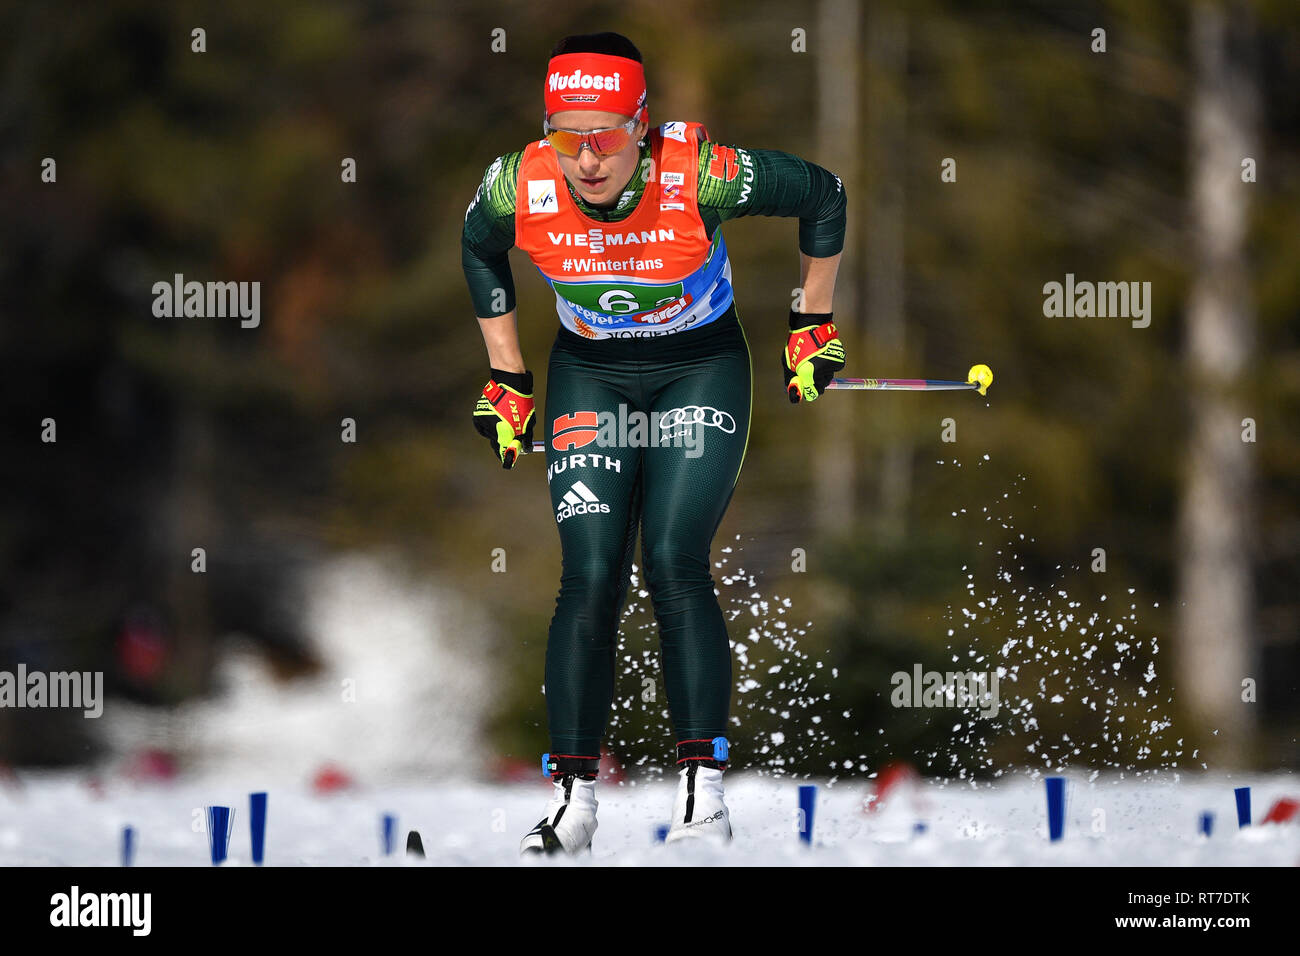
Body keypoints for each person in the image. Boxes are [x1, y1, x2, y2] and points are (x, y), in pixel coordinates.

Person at [461, 31, 846, 854]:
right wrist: (508, 374)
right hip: (591, 374)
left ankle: (704, 800)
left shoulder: (701, 173)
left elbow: (825, 194)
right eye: (569, 137)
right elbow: (478, 244)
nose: (588, 159)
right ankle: (573, 804)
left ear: (643, 125)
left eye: (606, 135)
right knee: (590, 573)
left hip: (697, 367)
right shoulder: (516, 182)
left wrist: (812, 320)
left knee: (671, 559)